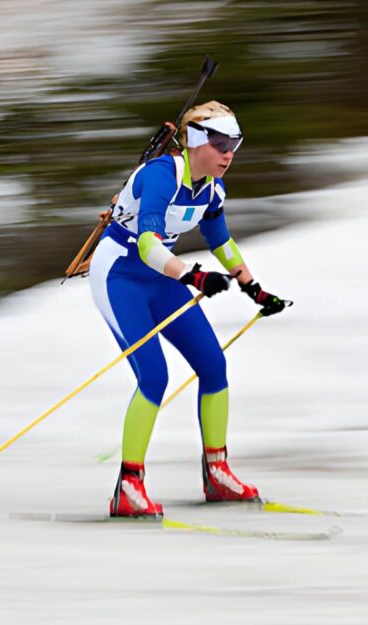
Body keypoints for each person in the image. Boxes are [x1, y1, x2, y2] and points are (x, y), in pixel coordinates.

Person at [88, 101, 289, 517]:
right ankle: (128, 488)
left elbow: (221, 240)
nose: (229, 153)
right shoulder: (161, 176)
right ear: (196, 141)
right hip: (120, 276)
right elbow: (147, 245)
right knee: (154, 376)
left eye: (235, 143)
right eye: (221, 143)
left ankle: (217, 473)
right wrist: (194, 277)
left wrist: (254, 288)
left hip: (162, 277)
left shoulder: (212, 188)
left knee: (213, 365)